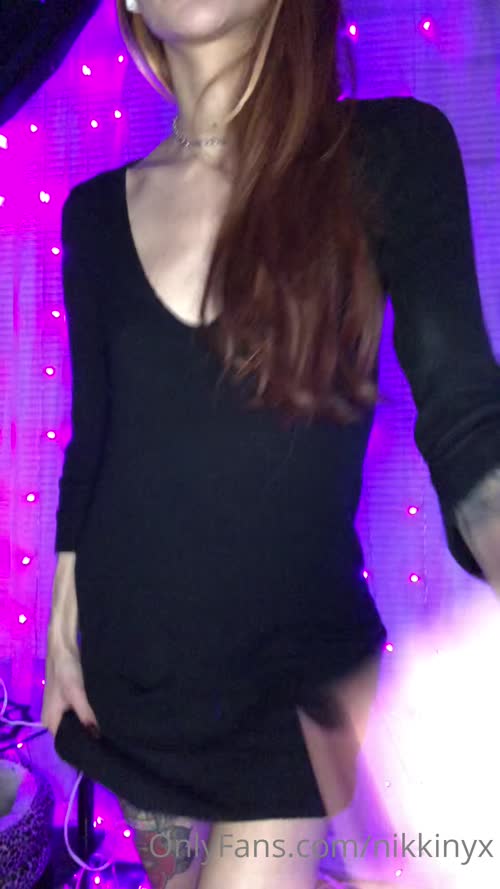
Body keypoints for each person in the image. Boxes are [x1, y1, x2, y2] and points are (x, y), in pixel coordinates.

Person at [41, 0, 500, 887]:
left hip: (293, 695)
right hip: (127, 689)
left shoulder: (387, 153)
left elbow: (467, 418)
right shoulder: (92, 215)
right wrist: (61, 622)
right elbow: (94, 437)